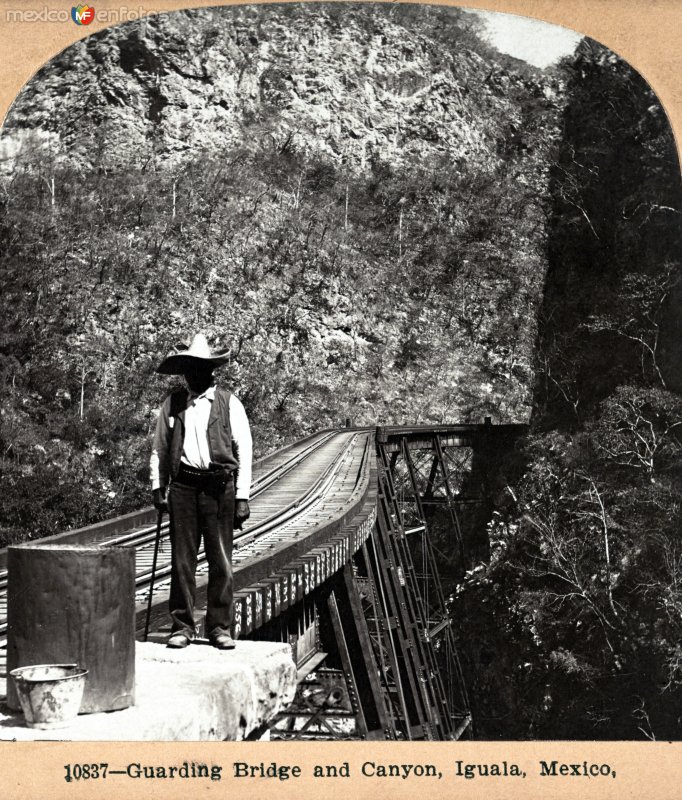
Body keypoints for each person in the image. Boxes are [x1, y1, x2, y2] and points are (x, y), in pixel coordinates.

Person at [149, 333, 252, 649]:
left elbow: (243, 448)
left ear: (211, 370)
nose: (195, 373)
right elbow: (160, 448)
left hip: (219, 487)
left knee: (221, 558)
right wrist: (157, 486)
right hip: (183, 487)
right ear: (184, 370)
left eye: (201, 367)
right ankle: (182, 626)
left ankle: (219, 627)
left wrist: (243, 496)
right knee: (182, 559)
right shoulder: (173, 404)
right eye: (190, 367)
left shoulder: (228, 403)